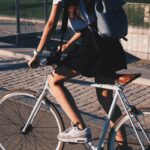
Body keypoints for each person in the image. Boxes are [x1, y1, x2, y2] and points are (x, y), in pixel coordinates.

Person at [28, 0, 130, 149]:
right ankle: (122, 146)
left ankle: (79, 128)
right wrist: (68, 45)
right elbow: (90, 25)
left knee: (53, 80)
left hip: (94, 47)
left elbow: (50, 24)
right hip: (110, 44)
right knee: (105, 97)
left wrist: (36, 54)